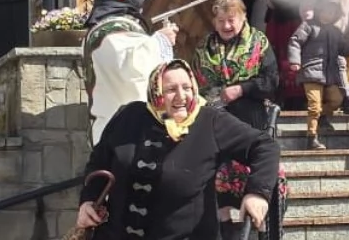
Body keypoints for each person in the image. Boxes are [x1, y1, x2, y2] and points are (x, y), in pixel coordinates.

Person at [75, 60, 280, 239]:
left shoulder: (210, 121)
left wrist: (257, 193)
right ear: (156, 92)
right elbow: (99, 162)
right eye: (171, 89)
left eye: (187, 87)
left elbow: (264, 146)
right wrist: (88, 200)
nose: (181, 96)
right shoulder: (129, 115)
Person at [192, 0, 280, 237]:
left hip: (249, 127)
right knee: (216, 198)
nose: (226, 26)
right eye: (221, 20)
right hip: (214, 130)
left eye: (231, 20)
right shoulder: (203, 47)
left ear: (243, 18)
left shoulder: (259, 43)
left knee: (253, 194)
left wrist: (242, 88)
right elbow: (194, 86)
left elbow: (271, 81)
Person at [82, 0, 178, 145]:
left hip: (118, 130)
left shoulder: (105, 28)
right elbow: (134, 67)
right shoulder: (110, 29)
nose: (142, 7)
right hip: (120, 134)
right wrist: (159, 40)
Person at [288, 0, 349, 149]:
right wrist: (295, 61)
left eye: (333, 12)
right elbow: (295, 42)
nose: (329, 14)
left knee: (336, 100)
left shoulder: (335, 31)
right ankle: (312, 137)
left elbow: (344, 47)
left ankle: (321, 116)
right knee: (314, 105)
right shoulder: (308, 26)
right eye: (326, 10)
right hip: (311, 73)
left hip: (329, 74)